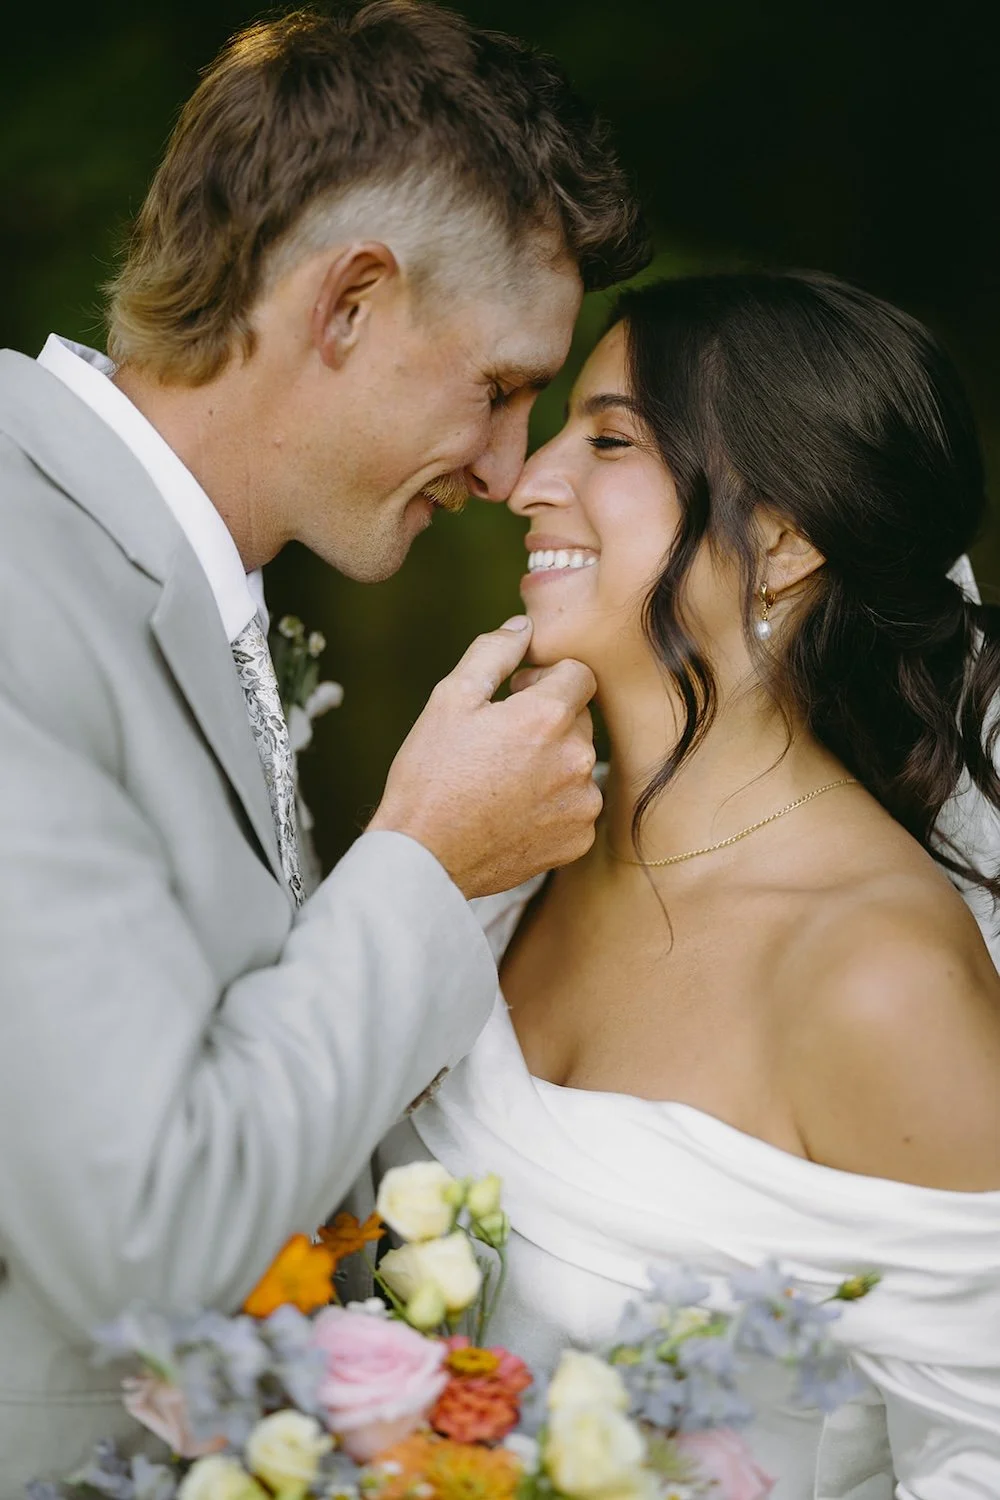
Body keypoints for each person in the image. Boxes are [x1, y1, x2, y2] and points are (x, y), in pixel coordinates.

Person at [0, 2, 649, 1487]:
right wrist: (422, 864)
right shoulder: (13, 575)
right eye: (498, 388)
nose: (507, 469)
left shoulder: (152, 577)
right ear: (347, 303)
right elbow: (141, 1237)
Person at [381, 272, 1000, 1497]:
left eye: (608, 438)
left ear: (783, 540)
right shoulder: (505, 868)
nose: (519, 480)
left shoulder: (876, 977)